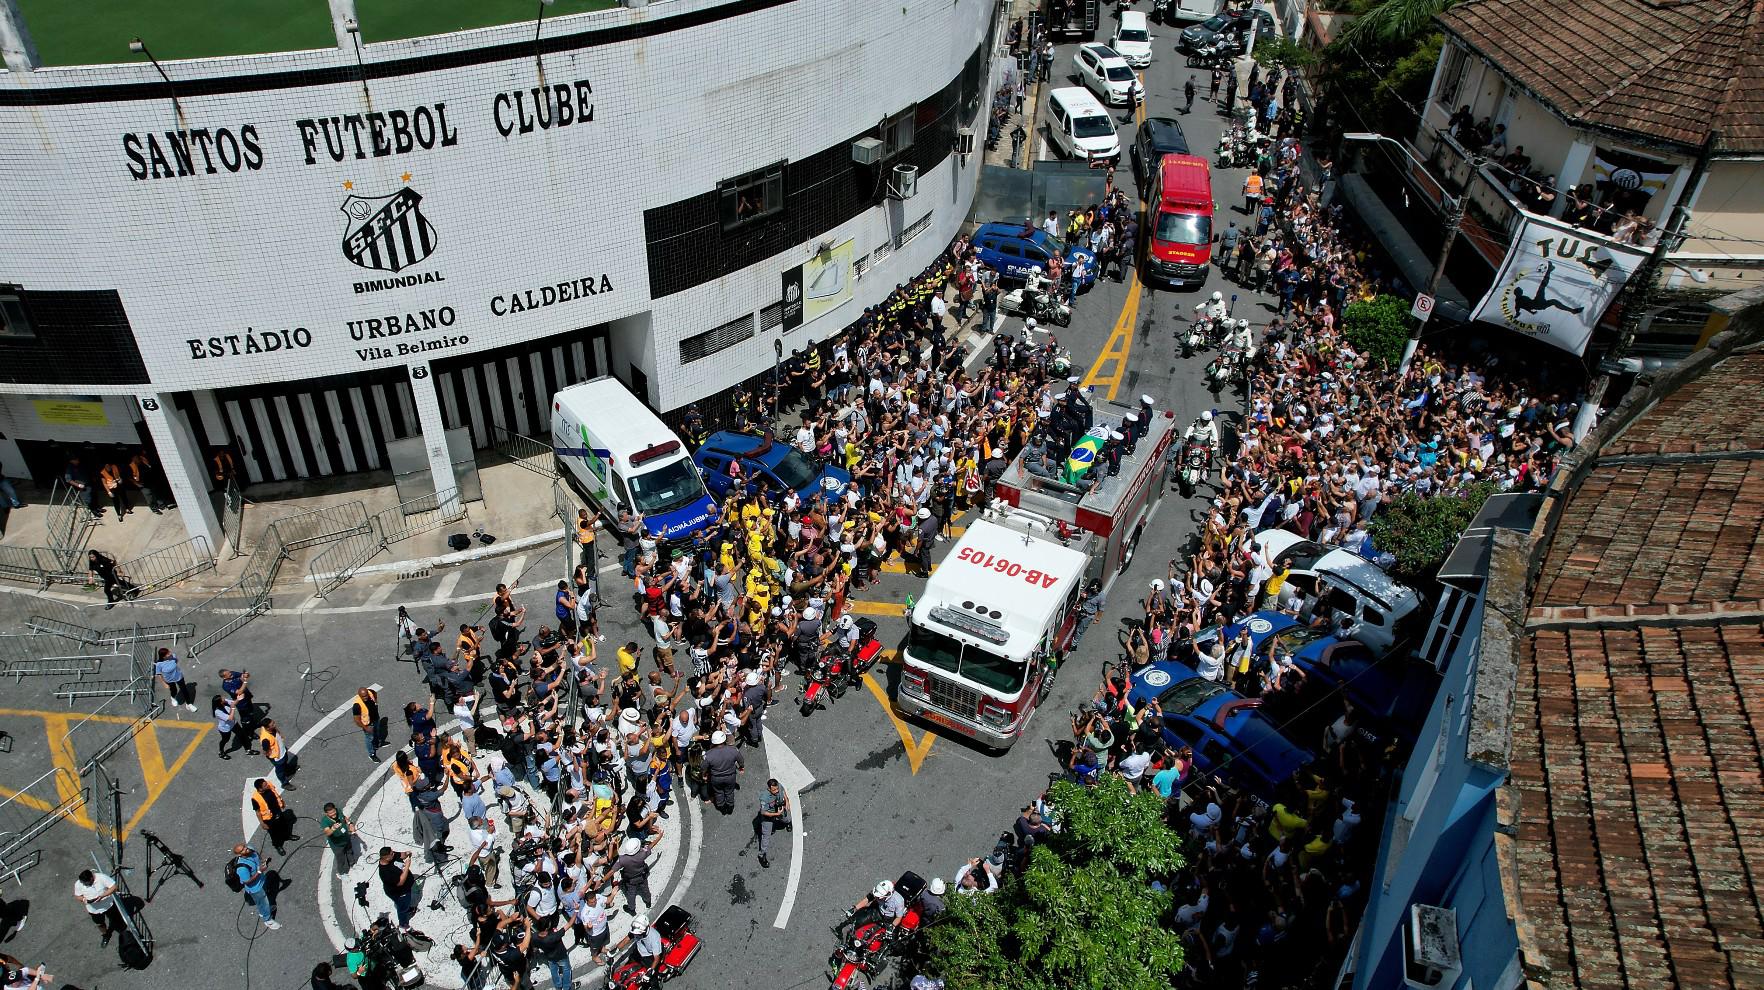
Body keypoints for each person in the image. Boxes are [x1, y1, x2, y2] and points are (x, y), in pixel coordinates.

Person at [72, 868, 124, 945]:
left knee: (115, 918)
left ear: (91, 878)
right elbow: (77, 896)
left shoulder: (102, 878)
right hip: (94, 910)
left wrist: (102, 896)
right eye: (84, 883)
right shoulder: (79, 883)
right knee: (100, 924)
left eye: (87, 883)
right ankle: (106, 935)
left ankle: (121, 931)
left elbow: (114, 887)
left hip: (109, 906)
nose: (85, 885)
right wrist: (84, 899)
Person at [252, 777, 298, 855]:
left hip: (278, 812)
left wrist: (282, 803)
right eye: (265, 785)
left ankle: (287, 836)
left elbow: (276, 795)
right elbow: (258, 812)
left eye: (266, 783)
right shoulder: (255, 798)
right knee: (274, 833)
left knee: (284, 825)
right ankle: (278, 845)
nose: (267, 785)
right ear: (260, 788)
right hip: (269, 818)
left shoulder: (269, 786)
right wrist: (262, 823)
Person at [702, 730, 744, 813]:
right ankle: (730, 806)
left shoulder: (708, 755)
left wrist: (704, 775)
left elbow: (704, 767)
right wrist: (741, 767)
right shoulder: (733, 750)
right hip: (730, 777)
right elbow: (741, 760)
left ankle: (721, 807)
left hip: (716, 778)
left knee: (718, 792)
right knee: (729, 792)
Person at [377, 847, 416, 932]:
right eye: (391, 854)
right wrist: (407, 867)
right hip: (400, 893)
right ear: (386, 857)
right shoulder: (385, 872)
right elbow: (400, 882)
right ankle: (403, 924)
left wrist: (407, 853)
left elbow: (401, 855)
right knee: (402, 908)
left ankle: (408, 908)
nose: (394, 854)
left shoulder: (392, 855)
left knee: (405, 903)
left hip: (406, 887)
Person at [756, 777, 791, 869]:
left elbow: (783, 793)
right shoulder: (764, 797)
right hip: (768, 816)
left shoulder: (779, 786)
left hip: (778, 809)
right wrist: (776, 814)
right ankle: (761, 855)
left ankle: (787, 823)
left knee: (786, 819)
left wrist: (787, 801)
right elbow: (763, 812)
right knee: (766, 837)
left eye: (776, 789)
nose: (776, 791)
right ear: (769, 788)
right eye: (774, 790)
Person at [321, 802, 360, 874]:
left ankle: (352, 864)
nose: (333, 814)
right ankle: (342, 873)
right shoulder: (324, 821)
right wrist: (332, 828)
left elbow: (344, 818)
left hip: (346, 838)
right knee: (341, 859)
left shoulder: (338, 811)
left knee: (349, 851)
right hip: (337, 844)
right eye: (330, 813)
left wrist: (350, 824)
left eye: (334, 811)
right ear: (326, 814)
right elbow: (327, 832)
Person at [153, 648, 196, 712]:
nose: (170, 653)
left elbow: (176, 661)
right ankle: (173, 698)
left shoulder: (173, 656)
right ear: (164, 656)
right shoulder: (159, 664)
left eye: (169, 652)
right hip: (169, 679)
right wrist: (164, 683)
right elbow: (159, 674)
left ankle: (189, 704)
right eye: (168, 653)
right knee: (174, 690)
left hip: (178, 676)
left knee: (184, 690)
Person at [353, 686, 384, 762]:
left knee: (377, 731)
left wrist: (376, 702)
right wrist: (366, 728)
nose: (366, 697)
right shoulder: (357, 705)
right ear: (360, 696)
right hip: (368, 724)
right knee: (369, 738)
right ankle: (371, 754)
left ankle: (377, 744)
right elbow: (357, 720)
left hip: (376, 718)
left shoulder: (370, 692)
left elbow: (374, 694)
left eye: (366, 695)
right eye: (363, 696)